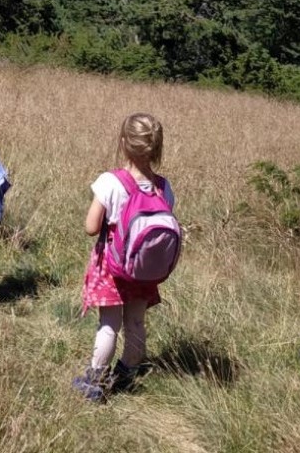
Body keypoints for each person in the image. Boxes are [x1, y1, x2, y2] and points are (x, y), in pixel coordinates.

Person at [74, 112, 174, 401]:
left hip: (112, 268)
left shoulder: (111, 181)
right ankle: (127, 374)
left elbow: (91, 227)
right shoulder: (164, 188)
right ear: (156, 147)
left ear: (123, 143)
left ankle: (94, 382)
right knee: (136, 323)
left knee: (109, 325)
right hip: (144, 270)